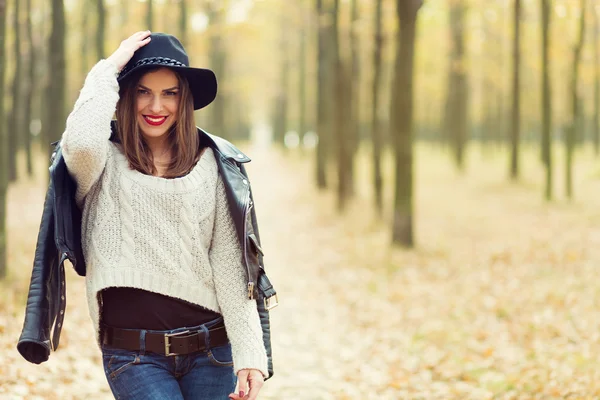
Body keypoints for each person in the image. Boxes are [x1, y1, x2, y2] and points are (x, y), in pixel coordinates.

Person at [60, 31, 269, 400]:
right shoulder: (102, 162)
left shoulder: (211, 165)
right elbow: (78, 141)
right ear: (125, 95)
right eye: (143, 91)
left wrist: (250, 354)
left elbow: (228, 264)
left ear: (184, 99)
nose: (156, 106)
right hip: (133, 356)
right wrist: (110, 67)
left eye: (169, 93)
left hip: (213, 353)